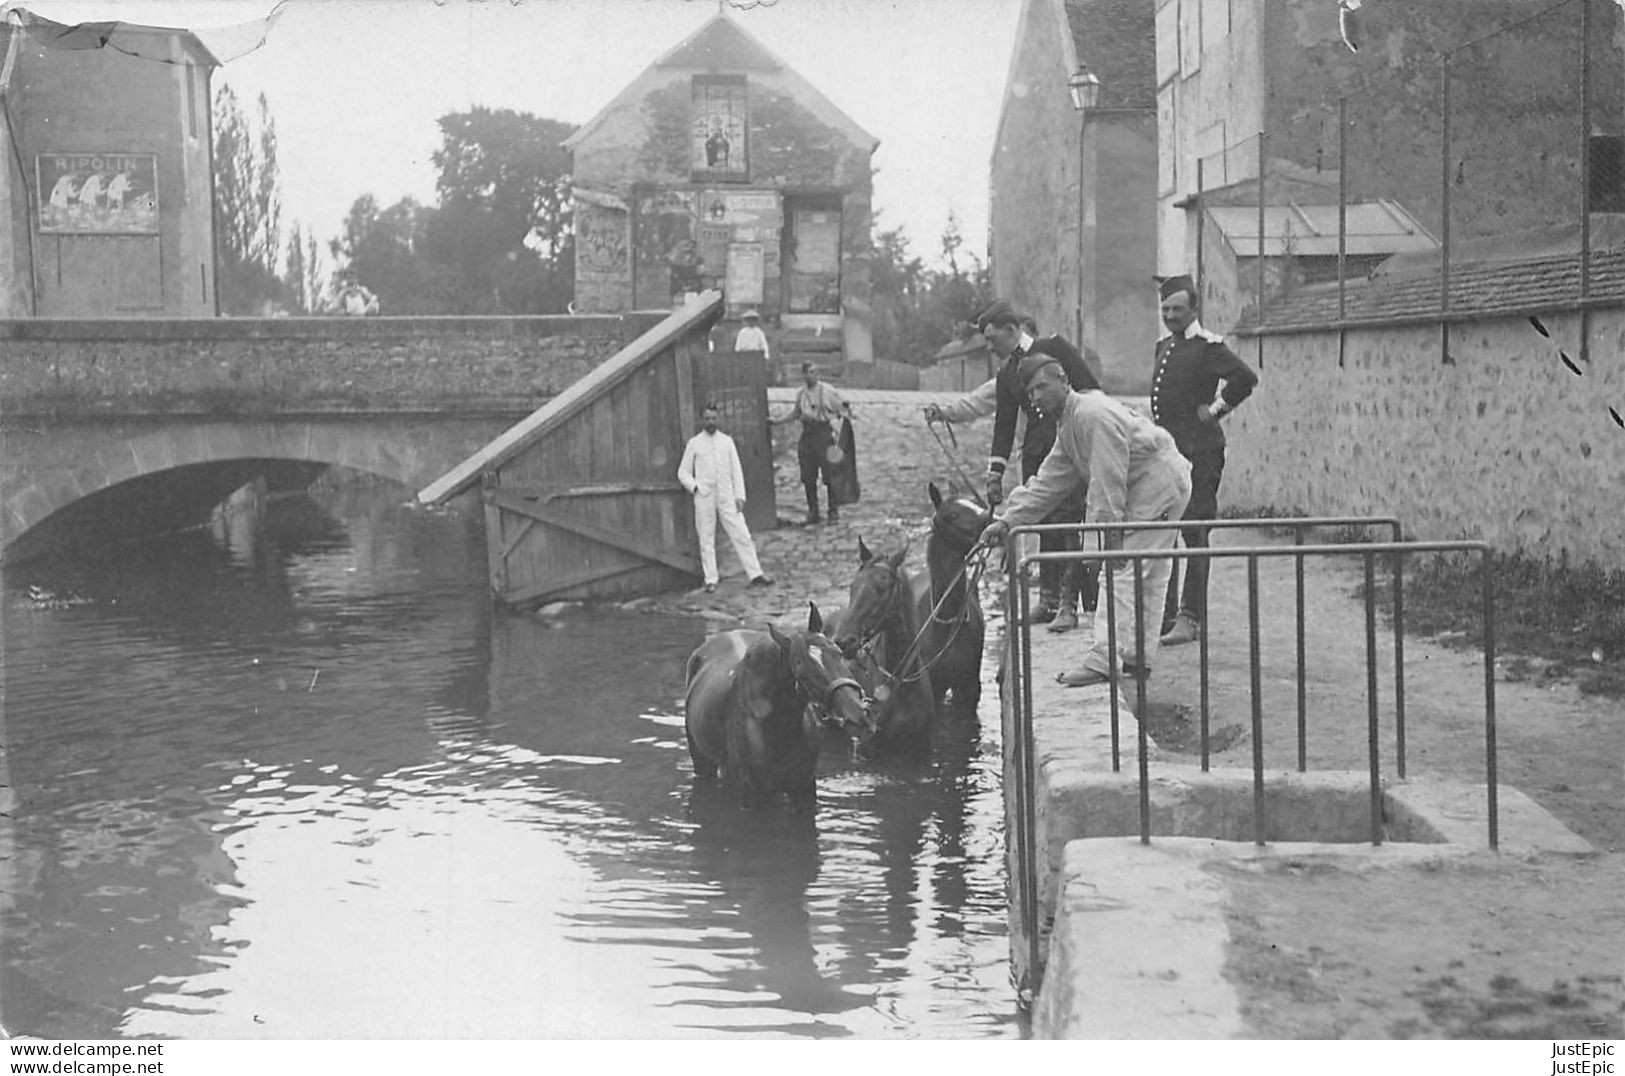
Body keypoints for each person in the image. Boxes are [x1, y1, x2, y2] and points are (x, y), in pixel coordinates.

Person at [977, 354, 1191, 688]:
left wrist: (1108, 537)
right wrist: (1006, 522)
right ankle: (1137, 657)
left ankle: (1104, 660)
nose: (1036, 397)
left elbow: (1107, 482)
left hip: (1158, 484)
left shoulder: (1092, 415)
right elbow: (1048, 483)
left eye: (1042, 387)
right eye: (1030, 392)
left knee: (1120, 571)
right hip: (1154, 484)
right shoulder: (1068, 424)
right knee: (1147, 573)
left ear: (1063, 379)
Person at [923, 299, 1102, 630]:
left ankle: (1068, 604)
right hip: (1036, 454)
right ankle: (1047, 599)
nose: (990, 347)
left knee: (1068, 526)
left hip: (1070, 448)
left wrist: (1086, 436)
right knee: (1041, 521)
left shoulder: (1056, 347)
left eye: (992, 340)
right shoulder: (1006, 373)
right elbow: (1004, 425)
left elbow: (1092, 390)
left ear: (1011, 330)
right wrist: (996, 472)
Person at [1149, 275, 1259, 647]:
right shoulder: (1164, 346)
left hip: (1201, 452)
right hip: (1168, 455)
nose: (1170, 315)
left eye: (1178, 309)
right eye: (1165, 309)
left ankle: (1191, 617)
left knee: (1195, 530)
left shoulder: (1208, 346)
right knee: (1164, 530)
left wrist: (1214, 411)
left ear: (1193, 309)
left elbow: (1244, 378)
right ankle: (1164, 614)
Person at [678, 402, 773, 593]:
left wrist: (740, 495)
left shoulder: (726, 442)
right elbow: (683, 472)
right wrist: (695, 487)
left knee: (742, 534)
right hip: (704, 495)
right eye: (707, 418)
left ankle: (755, 573)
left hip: (726, 495)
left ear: (718, 418)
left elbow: (736, 470)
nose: (711, 422)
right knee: (706, 537)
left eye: (713, 418)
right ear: (701, 420)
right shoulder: (695, 444)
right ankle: (711, 578)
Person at [771, 362, 853, 525]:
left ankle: (833, 511)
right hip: (807, 435)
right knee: (808, 476)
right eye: (809, 372)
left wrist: (841, 424)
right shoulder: (801, 394)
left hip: (823, 434)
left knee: (830, 474)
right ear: (804, 375)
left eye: (815, 372)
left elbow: (843, 408)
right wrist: (777, 421)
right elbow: (795, 414)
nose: (812, 375)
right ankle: (813, 511)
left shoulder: (827, 391)